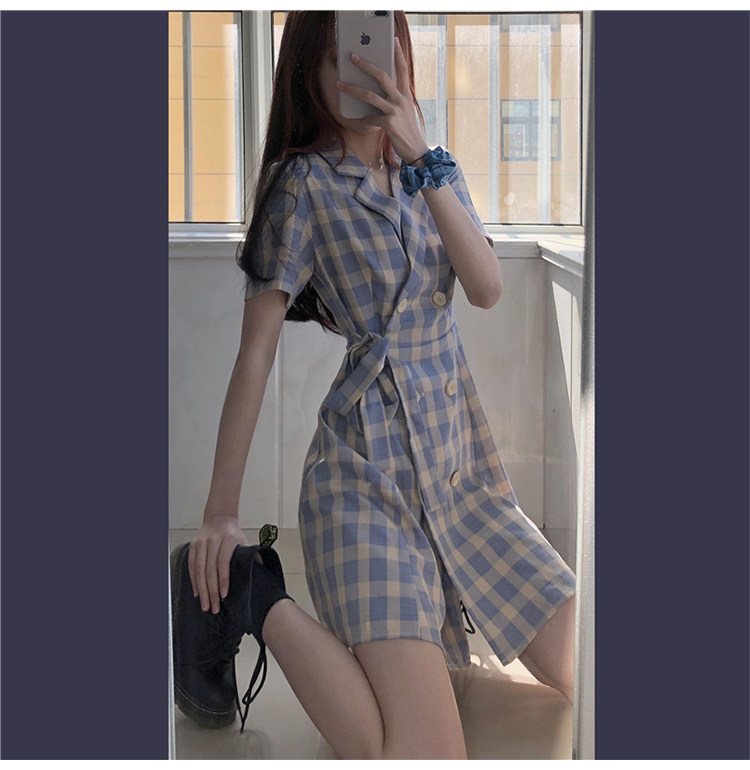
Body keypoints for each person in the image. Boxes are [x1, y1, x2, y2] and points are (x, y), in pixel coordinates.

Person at [179, 10, 576, 760]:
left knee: (583, 673)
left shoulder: (433, 168)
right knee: (417, 752)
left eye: (379, 53)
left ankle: (416, 672)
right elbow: (255, 354)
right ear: (311, 74)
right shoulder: (302, 185)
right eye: (344, 59)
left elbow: (486, 287)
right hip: (362, 482)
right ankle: (254, 594)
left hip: (462, 480)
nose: (366, 75)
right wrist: (220, 513)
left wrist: (419, 150)